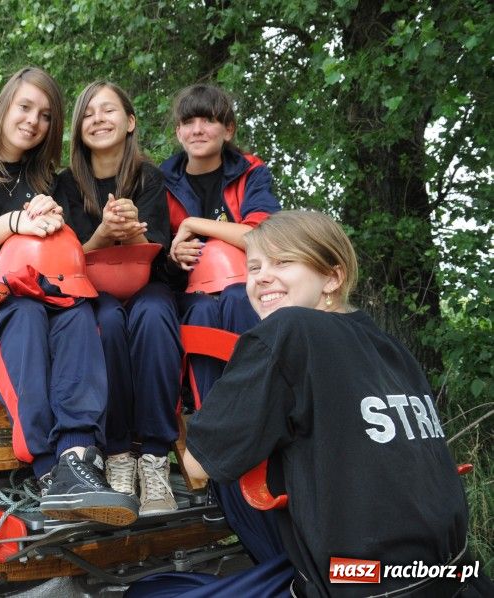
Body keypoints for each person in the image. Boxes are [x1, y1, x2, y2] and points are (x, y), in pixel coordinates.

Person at [174, 210, 490, 597]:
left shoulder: (289, 330)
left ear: (332, 277)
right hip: (452, 572)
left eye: (284, 261)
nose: (261, 277)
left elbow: (199, 465)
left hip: (361, 580)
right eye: (253, 266)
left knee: (152, 592)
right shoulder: (390, 347)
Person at [0, 67, 138, 526]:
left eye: (45, 115)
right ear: (5, 106)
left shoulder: (43, 177)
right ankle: (46, 466)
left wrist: (51, 213)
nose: (33, 121)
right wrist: (13, 223)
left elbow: (59, 252)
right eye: (25, 107)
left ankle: (77, 454)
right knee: (20, 310)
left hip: (39, 286)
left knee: (79, 311)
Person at [162, 82, 284, 563]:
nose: (198, 129)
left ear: (227, 129)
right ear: (178, 131)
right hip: (186, 296)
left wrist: (194, 226)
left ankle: (256, 417)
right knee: (195, 315)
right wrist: (173, 249)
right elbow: (153, 251)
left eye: (208, 120)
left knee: (233, 300)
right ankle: (217, 445)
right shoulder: (162, 179)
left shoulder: (251, 170)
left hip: (246, 289)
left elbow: (263, 234)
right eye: (189, 121)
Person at [55, 81, 181, 515]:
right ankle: (118, 455)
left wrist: (135, 231)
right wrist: (104, 233)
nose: (98, 119)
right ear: (77, 128)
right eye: (88, 113)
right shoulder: (65, 185)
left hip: (145, 282)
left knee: (154, 315)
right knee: (105, 323)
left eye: (108, 110)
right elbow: (65, 256)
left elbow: (162, 249)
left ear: (130, 122)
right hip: (92, 288)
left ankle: (156, 457)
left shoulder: (150, 177)